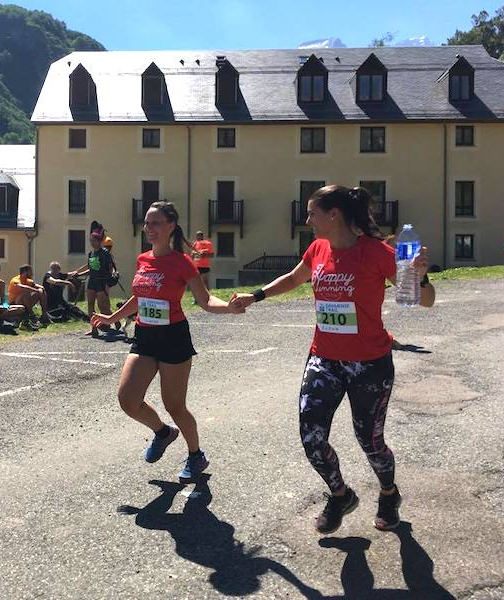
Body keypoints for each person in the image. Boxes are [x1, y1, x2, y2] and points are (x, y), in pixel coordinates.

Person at [232, 185, 434, 534]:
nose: (307, 219)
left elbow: (424, 300)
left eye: (312, 213)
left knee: (370, 441)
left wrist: (420, 275)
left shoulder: (377, 253)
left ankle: (388, 492)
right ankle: (340, 495)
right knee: (311, 436)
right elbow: (295, 277)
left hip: (369, 363)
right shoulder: (318, 248)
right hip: (324, 358)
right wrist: (256, 295)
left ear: (334, 215)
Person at [92, 201, 245, 483]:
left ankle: (196, 455)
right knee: (128, 400)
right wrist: (111, 317)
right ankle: (164, 433)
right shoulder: (143, 259)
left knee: (175, 405)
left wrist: (229, 307)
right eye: (147, 224)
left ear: (171, 226)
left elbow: (205, 299)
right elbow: (140, 297)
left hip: (173, 337)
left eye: (156, 223)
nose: (149, 229)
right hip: (145, 336)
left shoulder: (181, 262)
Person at [70, 230, 116, 336]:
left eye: (94, 240)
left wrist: (109, 279)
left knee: (102, 306)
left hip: (101, 281)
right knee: (90, 304)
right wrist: (79, 274)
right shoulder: (91, 254)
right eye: (91, 240)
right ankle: (93, 328)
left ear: (99, 241)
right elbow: (91, 269)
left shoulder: (104, 253)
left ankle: (114, 321)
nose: (92, 242)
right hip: (92, 281)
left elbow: (110, 268)